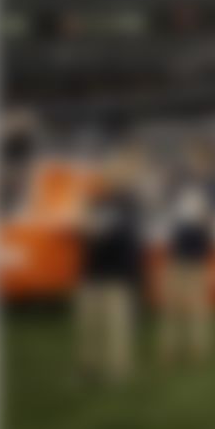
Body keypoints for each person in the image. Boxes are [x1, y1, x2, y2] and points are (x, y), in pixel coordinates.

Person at [75, 144, 146, 385]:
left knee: (117, 327)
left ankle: (117, 370)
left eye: (117, 172)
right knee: (89, 325)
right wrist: (85, 225)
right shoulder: (95, 200)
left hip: (118, 273)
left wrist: (97, 230)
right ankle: (89, 366)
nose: (112, 175)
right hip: (92, 271)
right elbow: (82, 231)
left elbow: (127, 237)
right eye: (109, 171)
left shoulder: (131, 203)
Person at [159, 141, 215, 365]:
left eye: (197, 158)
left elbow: (214, 221)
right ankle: (170, 348)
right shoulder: (181, 182)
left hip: (197, 248)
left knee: (197, 304)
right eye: (191, 158)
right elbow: (167, 205)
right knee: (173, 303)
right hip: (178, 245)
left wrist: (205, 213)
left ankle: (198, 349)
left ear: (207, 160)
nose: (193, 163)